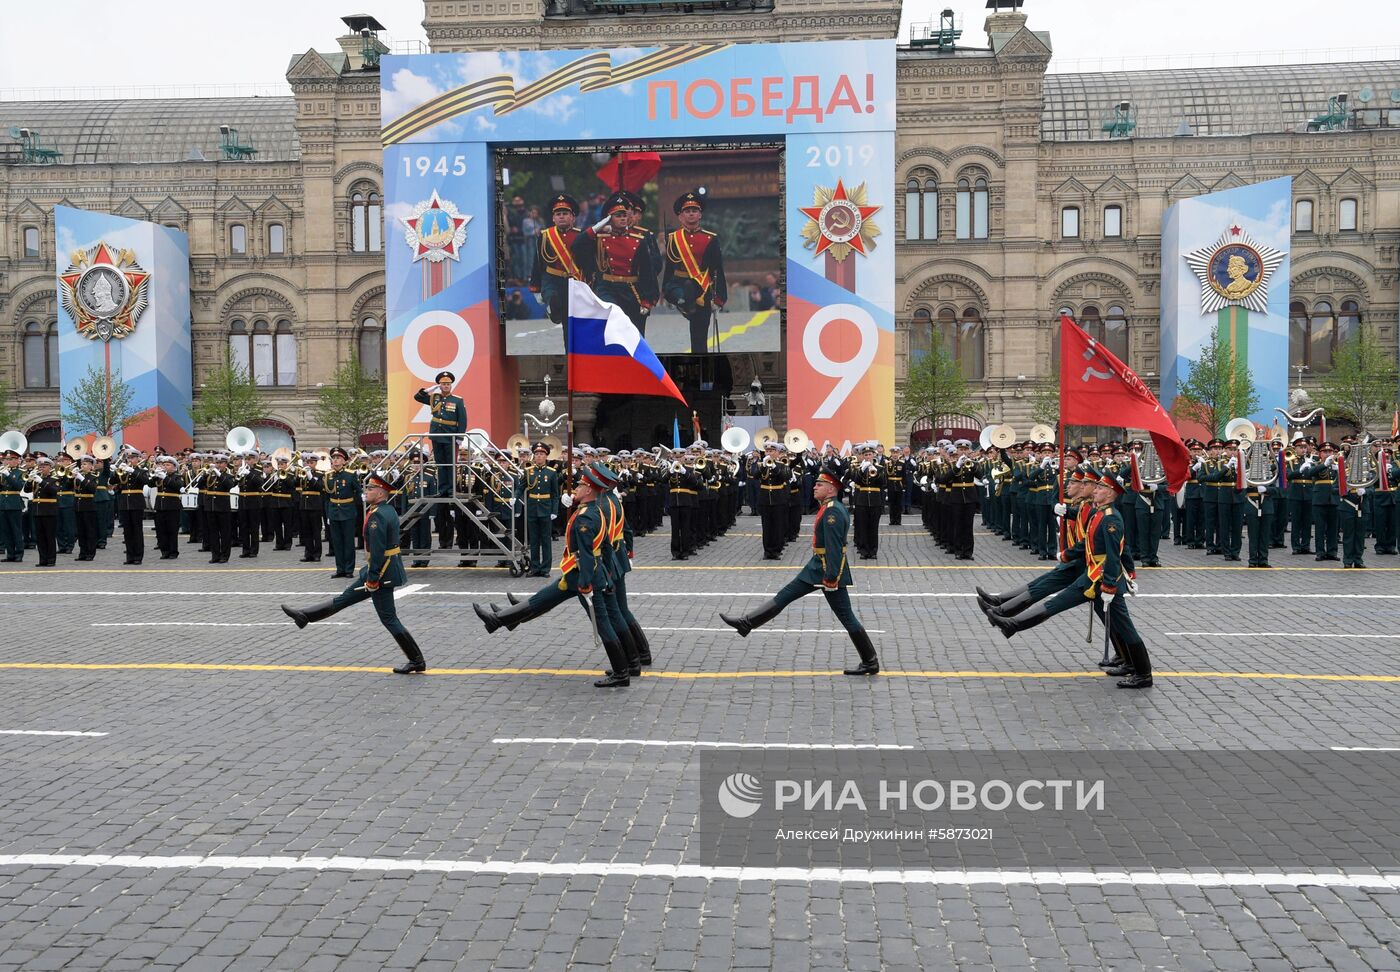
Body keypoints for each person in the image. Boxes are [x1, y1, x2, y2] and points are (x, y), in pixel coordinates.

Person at [472, 463, 635, 688]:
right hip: (586, 574)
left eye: (580, 485)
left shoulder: (586, 517)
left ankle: (621, 673)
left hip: (583, 576)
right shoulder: (594, 511)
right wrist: (607, 575)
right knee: (545, 598)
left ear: (588, 491)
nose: (576, 488)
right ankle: (502, 620)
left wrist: (588, 584)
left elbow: (588, 555)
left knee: (603, 623)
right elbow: (606, 548)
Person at [987, 470, 1153, 688]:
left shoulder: (1112, 518)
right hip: (1092, 576)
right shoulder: (1098, 513)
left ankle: (1143, 674)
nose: (1097, 490)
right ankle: (1012, 624)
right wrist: (1067, 553)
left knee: (1124, 626)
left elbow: (1116, 554)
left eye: (1101, 488)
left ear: (1111, 494)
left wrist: (1111, 586)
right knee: (1058, 603)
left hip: (1102, 580)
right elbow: (1087, 543)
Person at [720, 469, 879, 676]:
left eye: (819, 485)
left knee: (846, 616)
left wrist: (831, 577)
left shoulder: (833, 512)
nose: (814, 487)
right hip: (817, 567)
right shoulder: (829, 507)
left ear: (831, 490)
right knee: (785, 595)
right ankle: (746, 623)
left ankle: (870, 661)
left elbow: (834, 547)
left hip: (827, 570)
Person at [282, 471, 426, 675]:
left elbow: (377, 551)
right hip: (381, 570)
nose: (367, 491)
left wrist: (373, 578)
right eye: (367, 488)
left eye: (371, 488)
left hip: (381, 574)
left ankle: (417, 660)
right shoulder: (387, 510)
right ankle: (304, 616)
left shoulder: (377, 515)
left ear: (382, 492)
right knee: (344, 599)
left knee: (389, 618)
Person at [571, 192, 659, 333]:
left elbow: (647, 271)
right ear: (609, 218)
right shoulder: (600, 237)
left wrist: (647, 300)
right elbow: (577, 246)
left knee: (636, 334)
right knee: (612, 318)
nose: (623, 219)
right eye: (618, 216)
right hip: (607, 287)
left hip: (631, 288)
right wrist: (596, 228)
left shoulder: (638, 240)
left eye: (624, 215)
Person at [662, 190, 728, 355]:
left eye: (694, 211)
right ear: (681, 216)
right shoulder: (673, 238)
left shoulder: (710, 239)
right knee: (681, 292)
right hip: (678, 284)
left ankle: (701, 366)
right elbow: (669, 267)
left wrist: (719, 298)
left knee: (699, 337)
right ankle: (685, 302)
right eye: (687, 211)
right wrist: (665, 292)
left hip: (702, 288)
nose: (691, 214)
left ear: (700, 215)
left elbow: (717, 269)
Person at [529, 193, 584, 351]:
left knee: (570, 325)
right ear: (553, 218)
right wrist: (535, 288)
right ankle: (552, 308)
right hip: (551, 279)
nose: (561, 217)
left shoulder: (580, 236)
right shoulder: (545, 236)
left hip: (574, 283)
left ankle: (570, 354)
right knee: (553, 298)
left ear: (573, 217)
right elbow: (537, 262)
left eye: (565, 214)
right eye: (558, 214)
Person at [414, 371, 467, 497]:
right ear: (440, 385)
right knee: (440, 464)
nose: (446, 386)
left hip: (450, 436)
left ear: (451, 385)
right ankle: (442, 490)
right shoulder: (435, 398)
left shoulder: (457, 400)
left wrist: (460, 436)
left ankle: (451, 490)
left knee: (450, 464)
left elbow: (462, 420)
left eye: (448, 384)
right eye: (443, 384)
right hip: (437, 435)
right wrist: (428, 390)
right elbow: (417, 397)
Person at [523, 442, 560, 577]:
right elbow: (522, 487)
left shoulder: (551, 473)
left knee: (545, 540)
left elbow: (555, 494)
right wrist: (515, 497)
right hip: (533, 508)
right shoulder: (528, 471)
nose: (539, 457)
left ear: (546, 457)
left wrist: (554, 511)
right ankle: (535, 567)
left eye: (541, 454)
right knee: (534, 540)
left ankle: (545, 569)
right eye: (537, 454)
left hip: (546, 508)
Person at [325, 447, 359, 578]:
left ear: (344, 461)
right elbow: (327, 498)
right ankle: (340, 569)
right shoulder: (328, 475)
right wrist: (328, 514)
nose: (335, 461)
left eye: (338, 458)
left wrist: (359, 502)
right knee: (337, 542)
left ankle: (349, 569)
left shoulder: (350, 475)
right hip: (334, 512)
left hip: (348, 511)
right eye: (334, 458)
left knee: (348, 542)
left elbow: (358, 491)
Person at [28, 455, 59, 567]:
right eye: (40, 466)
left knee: (49, 536)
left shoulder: (54, 479)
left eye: (44, 466)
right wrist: (29, 479)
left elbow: (54, 491)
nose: (41, 468)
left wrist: (41, 482)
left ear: (50, 467)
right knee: (40, 537)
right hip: (37, 511)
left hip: (49, 511)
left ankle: (51, 559)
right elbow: (27, 490)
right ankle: (43, 559)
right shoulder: (36, 479)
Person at [151, 455, 183, 559]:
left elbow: (178, 486)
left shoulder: (177, 477)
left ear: (174, 467)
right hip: (160, 506)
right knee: (161, 530)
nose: (165, 467)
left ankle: (173, 552)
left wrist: (165, 478)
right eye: (164, 465)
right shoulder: (160, 476)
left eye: (168, 465)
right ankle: (164, 551)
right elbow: (150, 484)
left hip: (172, 506)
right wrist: (155, 475)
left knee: (172, 530)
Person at [0, 448, 24, 562]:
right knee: (5, 531)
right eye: (6, 459)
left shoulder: (20, 473)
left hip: (14, 504)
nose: (7, 461)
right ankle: (10, 554)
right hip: (3, 504)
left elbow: (18, 486)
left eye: (10, 459)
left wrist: (8, 475)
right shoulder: (2, 472)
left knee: (16, 530)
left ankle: (19, 553)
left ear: (17, 460)